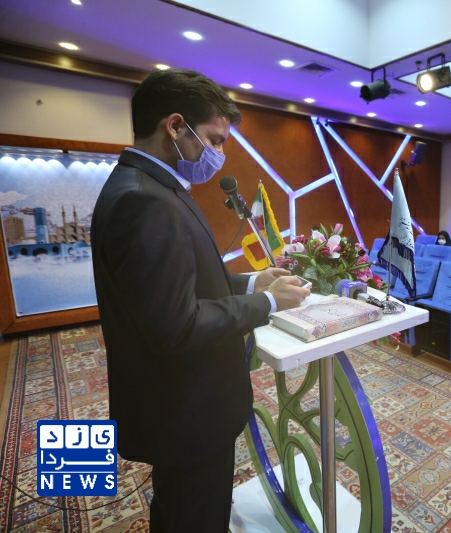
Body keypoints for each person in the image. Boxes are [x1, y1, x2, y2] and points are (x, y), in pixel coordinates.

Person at [91, 69, 310, 532]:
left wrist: (252, 282)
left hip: (177, 404)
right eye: (214, 140)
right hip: (186, 409)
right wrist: (268, 304)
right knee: (197, 516)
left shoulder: (150, 185)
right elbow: (177, 324)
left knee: (181, 508)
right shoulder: (146, 201)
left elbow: (184, 279)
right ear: (175, 126)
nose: (219, 154)